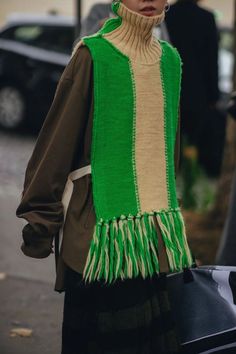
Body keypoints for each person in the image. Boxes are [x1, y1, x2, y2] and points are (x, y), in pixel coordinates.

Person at [16, 0, 195, 353]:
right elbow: (56, 143)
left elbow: (166, 152)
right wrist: (41, 223)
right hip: (98, 238)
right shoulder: (93, 55)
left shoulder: (170, 62)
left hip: (152, 243)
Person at [165, 0, 220, 173]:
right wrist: (214, 96)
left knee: (171, 144)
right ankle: (190, 186)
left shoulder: (166, 14)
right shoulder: (206, 18)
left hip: (170, 90)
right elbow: (212, 60)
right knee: (194, 147)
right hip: (199, 93)